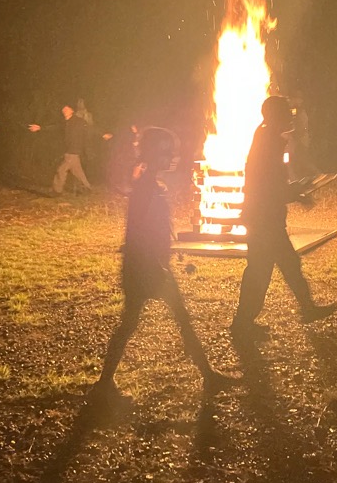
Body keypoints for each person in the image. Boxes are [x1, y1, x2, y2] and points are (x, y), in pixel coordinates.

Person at [91, 127, 236, 401]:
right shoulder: (146, 187)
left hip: (145, 266)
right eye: (168, 151)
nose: (174, 156)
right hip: (146, 268)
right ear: (155, 153)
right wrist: (156, 263)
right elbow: (140, 230)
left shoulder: (150, 184)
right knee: (152, 322)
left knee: (142, 322)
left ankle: (105, 382)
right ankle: (207, 375)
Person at [230, 96, 337, 339]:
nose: (290, 116)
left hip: (265, 217)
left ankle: (305, 309)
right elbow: (267, 184)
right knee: (261, 270)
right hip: (263, 218)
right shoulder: (268, 142)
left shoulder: (267, 138)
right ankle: (241, 324)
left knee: (286, 264)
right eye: (285, 113)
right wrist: (298, 193)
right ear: (273, 116)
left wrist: (296, 190)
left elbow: (271, 182)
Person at [41, 105, 92, 195]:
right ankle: (87, 188)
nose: (64, 110)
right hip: (69, 150)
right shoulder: (65, 123)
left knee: (61, 170)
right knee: (77, 171)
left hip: (73, 150)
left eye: (66, 109)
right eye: (63, 109)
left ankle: (57, 190)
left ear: (72, 110)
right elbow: (55, 127)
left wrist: (102, 134)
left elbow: (89, 131)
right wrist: (40, 128)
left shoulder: (79, 122)